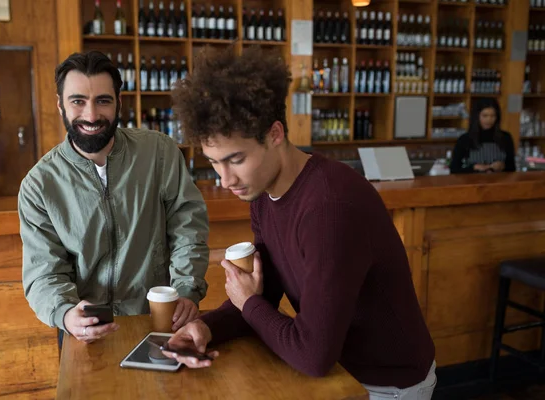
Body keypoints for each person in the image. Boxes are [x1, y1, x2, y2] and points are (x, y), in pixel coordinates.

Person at [164, 45, 436, 400]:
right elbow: (264, 292)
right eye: (215, 162)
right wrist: (204, 327)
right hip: (340, 372)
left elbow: (312, 355)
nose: (226, 179)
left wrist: (248, 304)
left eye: (236, 159)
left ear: (275, 134)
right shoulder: (261, 191)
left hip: (387, 385)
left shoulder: (330, 208)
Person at [19, 51, 209, 344]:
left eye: (103, 101)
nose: (92, 115)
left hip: (158, 318)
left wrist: (187, 290)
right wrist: (67, 313)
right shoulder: (39, 185)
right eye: (78, 101)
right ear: (60, 105)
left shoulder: (159, 153)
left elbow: (188, 227)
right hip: (84, 329)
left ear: (119, 102)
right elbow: (44, 271)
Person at [450, 98, 516, 174]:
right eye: (485, 116)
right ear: (477, 116)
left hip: (498, 183)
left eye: (493, 116)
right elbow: (454, 170)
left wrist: (503, 166)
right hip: (473, 183)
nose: (489, 120)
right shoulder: (465, 139)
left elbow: (512, 168)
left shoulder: (505, 137)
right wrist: (474, 167)